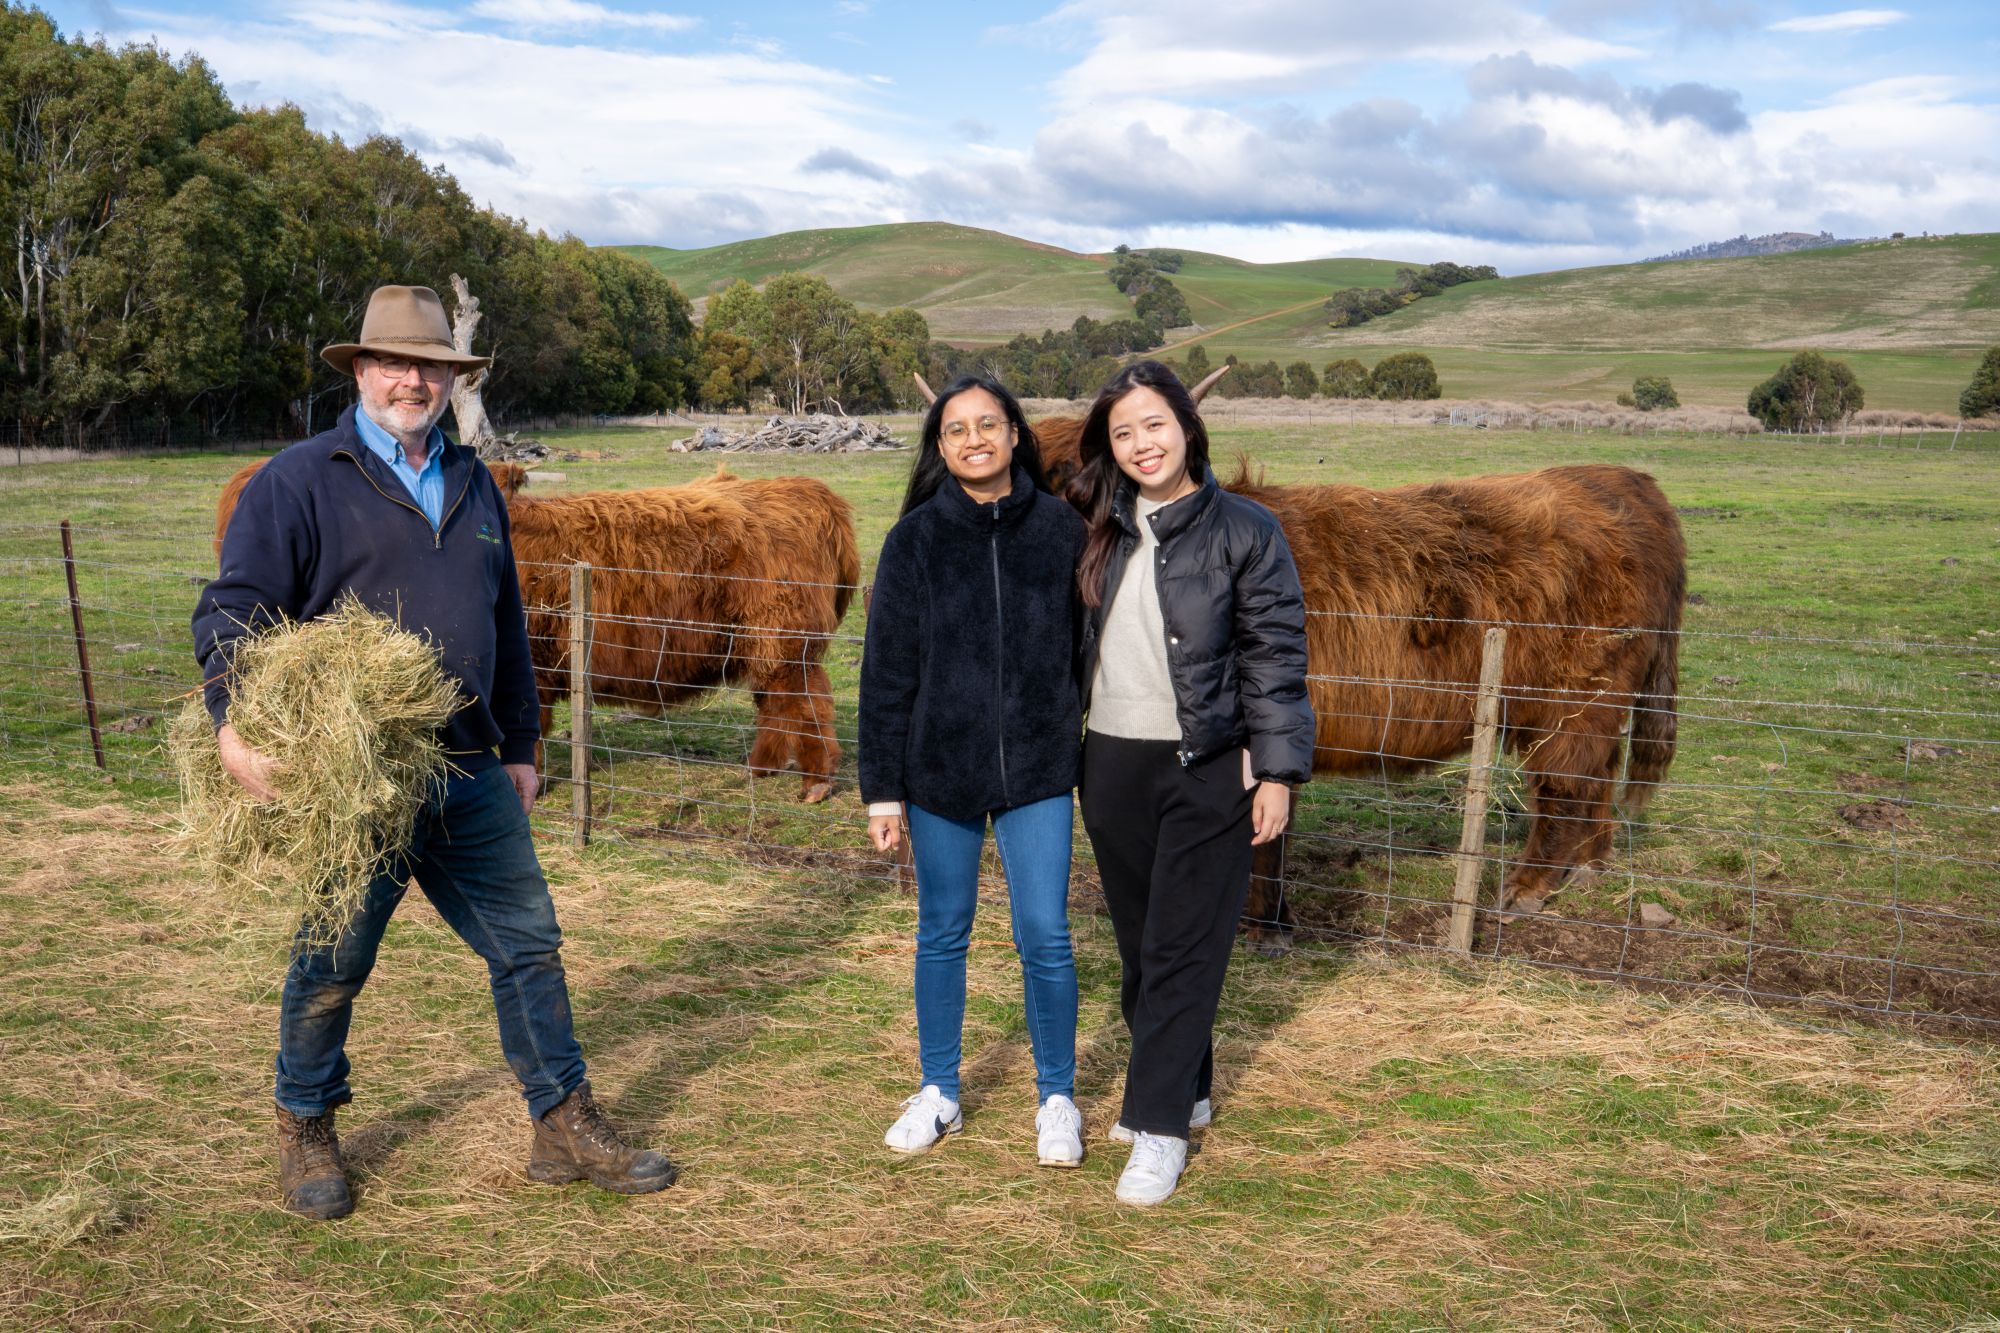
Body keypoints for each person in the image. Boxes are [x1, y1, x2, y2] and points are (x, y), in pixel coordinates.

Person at [192, 285, 676, 1221]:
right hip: (358, 775)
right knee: (334, 956)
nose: (412, 381)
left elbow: (505, 618)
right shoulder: (299, 480)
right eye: (394, 363)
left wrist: (522, 741)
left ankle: (562, 1119)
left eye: (431, 367)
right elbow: (233, 610)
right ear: (360, 371)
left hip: (468, 768)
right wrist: (231, 724)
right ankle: (305, 1122)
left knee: (529, 945)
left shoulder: (472, 481)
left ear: (451, 381)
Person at [1070, 359, 1313, 1205]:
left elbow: (1275, 654)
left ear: (1187, 426)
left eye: (1155, 424)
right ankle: (1192, 1087)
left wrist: (1276, 768)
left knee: (1183, 947)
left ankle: (1160, 1126)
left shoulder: (1247, 530)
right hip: (1110, 764)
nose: (1142, 443)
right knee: (1142, 948)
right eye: (1123, 432)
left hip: (1209, 764)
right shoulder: (1100, 530)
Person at [859, 374, 1089, 1167]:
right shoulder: (914, 541)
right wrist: (882, 791)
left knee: (1045, 933)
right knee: (941, 931)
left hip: (1038, 772)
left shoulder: (1061, 531)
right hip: (939, 773)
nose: (974, 439)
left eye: (988, 424)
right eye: (956, 429)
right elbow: (886, 674)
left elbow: (1088, 651)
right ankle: (939, 1090)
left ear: (1015, 434)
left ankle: (1057, 1097)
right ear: (940, 446)